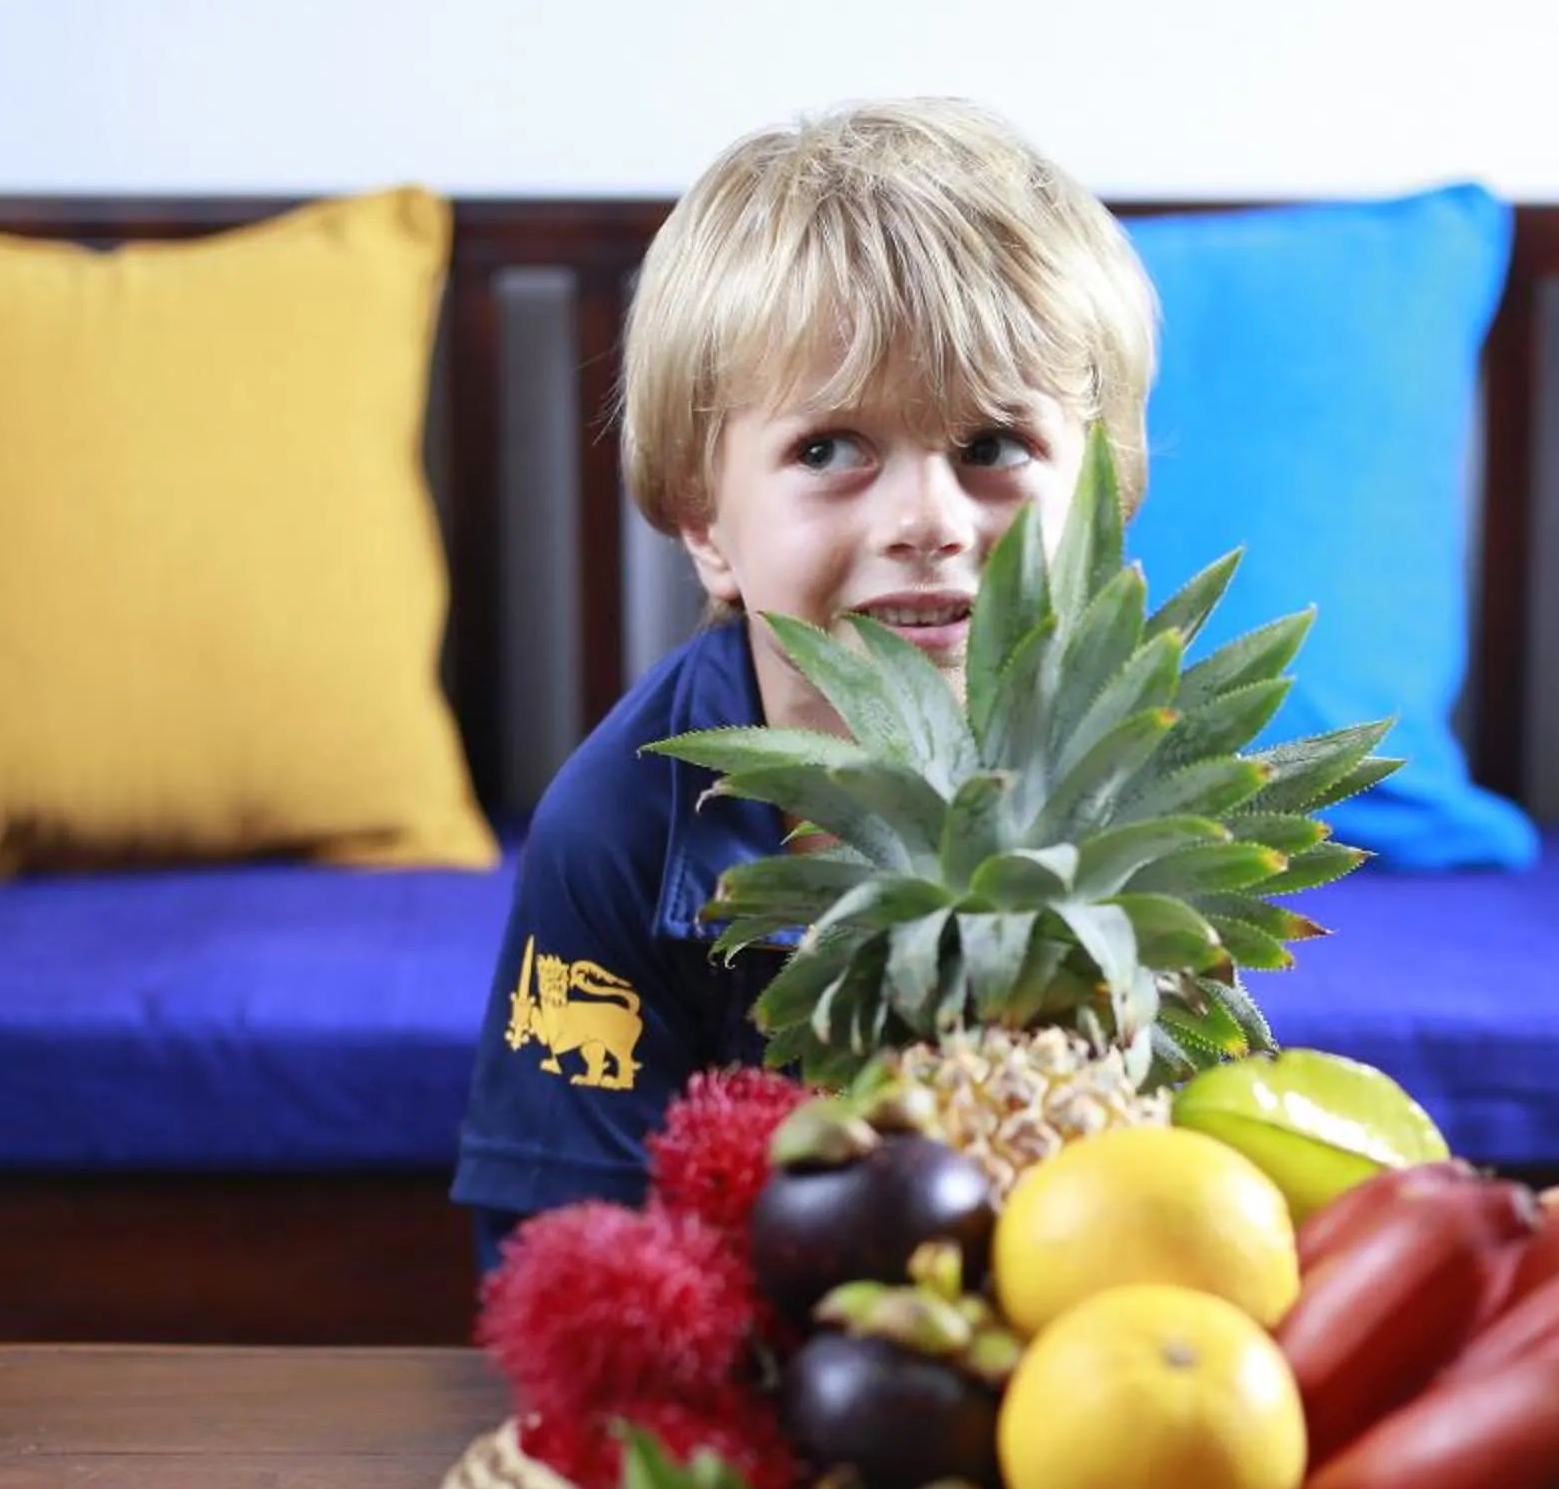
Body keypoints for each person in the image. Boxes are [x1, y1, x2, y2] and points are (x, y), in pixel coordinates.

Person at [454, 98, 1160, 1268]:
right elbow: (563, 1240)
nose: (927, 520)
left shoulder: (1120, 780)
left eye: (993, 445)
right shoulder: (616, 829)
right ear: (706, 522)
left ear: (1106, 498)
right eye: (830, 447)